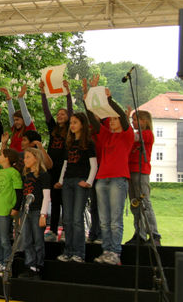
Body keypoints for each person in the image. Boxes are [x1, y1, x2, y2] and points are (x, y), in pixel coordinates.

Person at [86, 87, 134, 266]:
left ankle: (115, 252)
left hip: (118, 180)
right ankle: (106, 251)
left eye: (115, 119)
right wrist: (87, 103)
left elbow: (122, 115)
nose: (112, 121)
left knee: (115, 219)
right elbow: (93, 120)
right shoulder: (106, 136)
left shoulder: (127, 136)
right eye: (111, 119)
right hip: (102, 180)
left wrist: (110, 100)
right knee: (104, 221)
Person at [55, 113, 97, 263]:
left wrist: (89, 182)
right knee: (67, 218)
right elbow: (66, 164)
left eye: (75, 122)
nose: (72, 125)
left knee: (77, 218)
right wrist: (61, 181)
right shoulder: (70, 143)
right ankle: (68, 251)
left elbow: (93, 165)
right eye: (71, 123)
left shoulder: (88, 143)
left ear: (82, 124)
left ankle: (79, 252)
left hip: (80, 181)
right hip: (68, 181)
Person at [39, 80, 72, 242]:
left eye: (63, 114)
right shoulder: (53, 128)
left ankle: (65, 229)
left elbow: (71, 110)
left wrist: (68, 93)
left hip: (65, 167)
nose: (60, 116)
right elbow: (46, 111)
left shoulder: (70, 129)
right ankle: (52, 230)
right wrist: (43, 93)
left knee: (65, 200)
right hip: (52, 167)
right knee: (55, 199)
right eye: (58, 114)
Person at [125, 109, 161, 246]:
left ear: (143, 121)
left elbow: (131, 137)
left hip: (141, 172)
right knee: (135, 204)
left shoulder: (147, 134)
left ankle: (154, 234)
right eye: (132, 120)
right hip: (131, 171)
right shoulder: (137, 134)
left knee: (144, 203)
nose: (133, 122)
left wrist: (125, 119)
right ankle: (139, 233)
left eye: (135, 120)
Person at [0, 149, 23, 277]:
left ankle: (7, 265)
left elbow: (19, 191)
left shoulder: (14, 173)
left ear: (7, 158)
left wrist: (16, 207)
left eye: (1, 155)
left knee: (4, 239)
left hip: (4, 210)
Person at [19, 147, 51, 280]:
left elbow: (46, 196)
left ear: (36, 159)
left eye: (28, 157)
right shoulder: (26, 175)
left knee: (38, 239)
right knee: (26, 239)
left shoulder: (43, 174)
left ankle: (38, 266)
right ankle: (30, 265)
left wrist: (43, 214)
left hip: (37, 211)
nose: (25, 160)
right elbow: (24, 195)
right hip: (26, 211)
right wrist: (21, 213)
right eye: (25, 157)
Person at [0, 84, 36, 152]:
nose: (15, 122)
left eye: (17, 120)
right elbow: (11, 115)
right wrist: (8, 97)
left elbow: (26, 114)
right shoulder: (15, 130)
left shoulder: (29, 129)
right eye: (14, 120)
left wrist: (20, 98)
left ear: (24, 120)